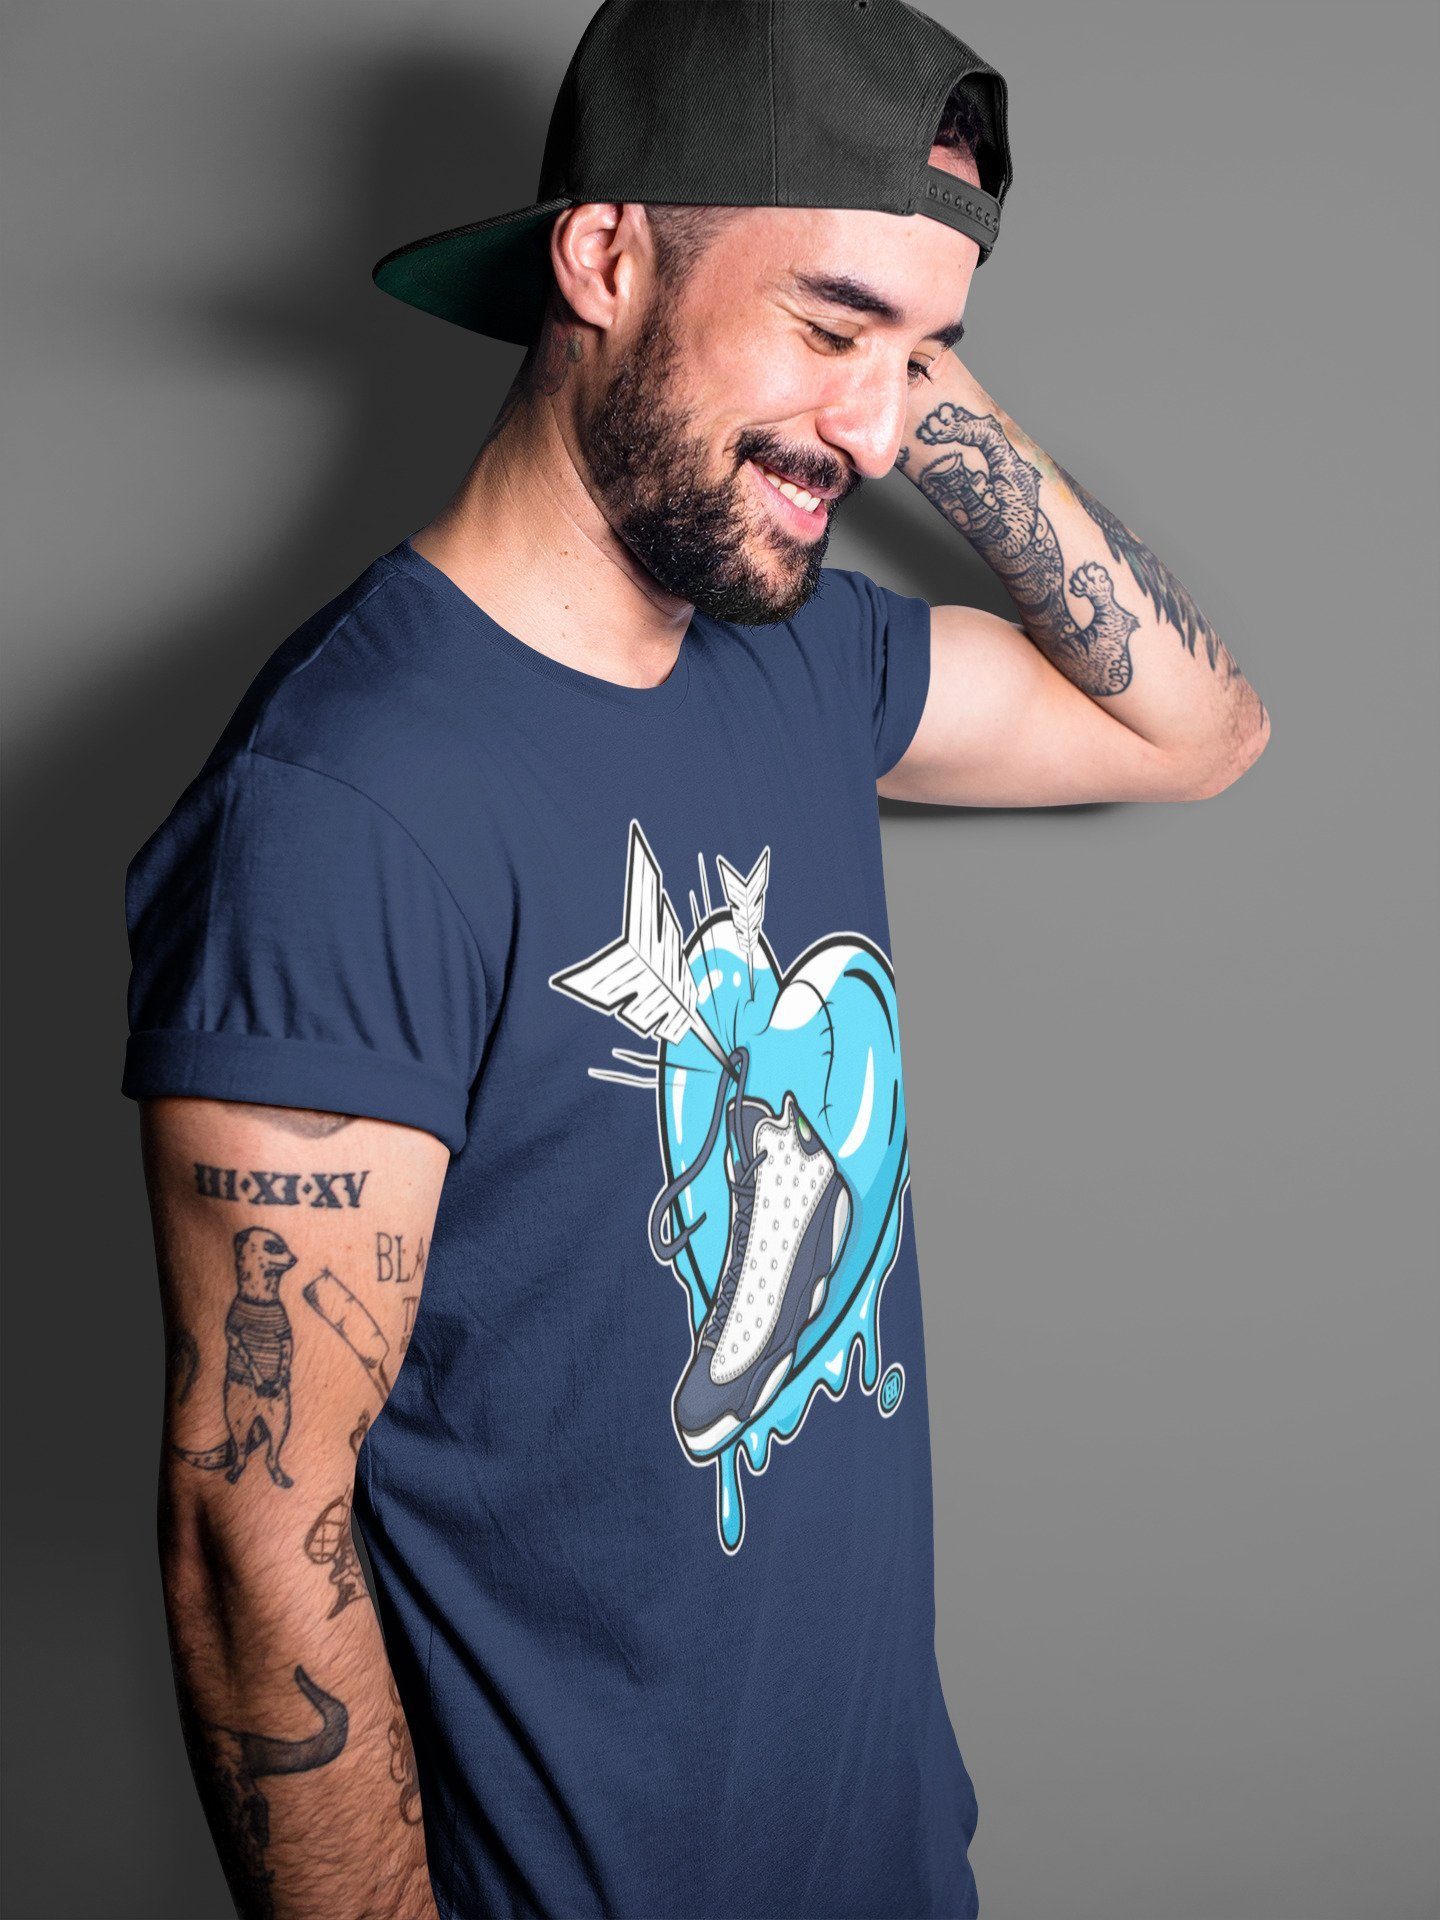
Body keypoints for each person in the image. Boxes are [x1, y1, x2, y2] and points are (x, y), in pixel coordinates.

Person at [120, 0, 1269, 1913]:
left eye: (925, 357)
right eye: (827, 326)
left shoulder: (800, 659)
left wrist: (893, 356)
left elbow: (1200, 733)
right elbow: (255, 1541)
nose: (878, 433)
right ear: (602, 258)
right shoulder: (346, 806)